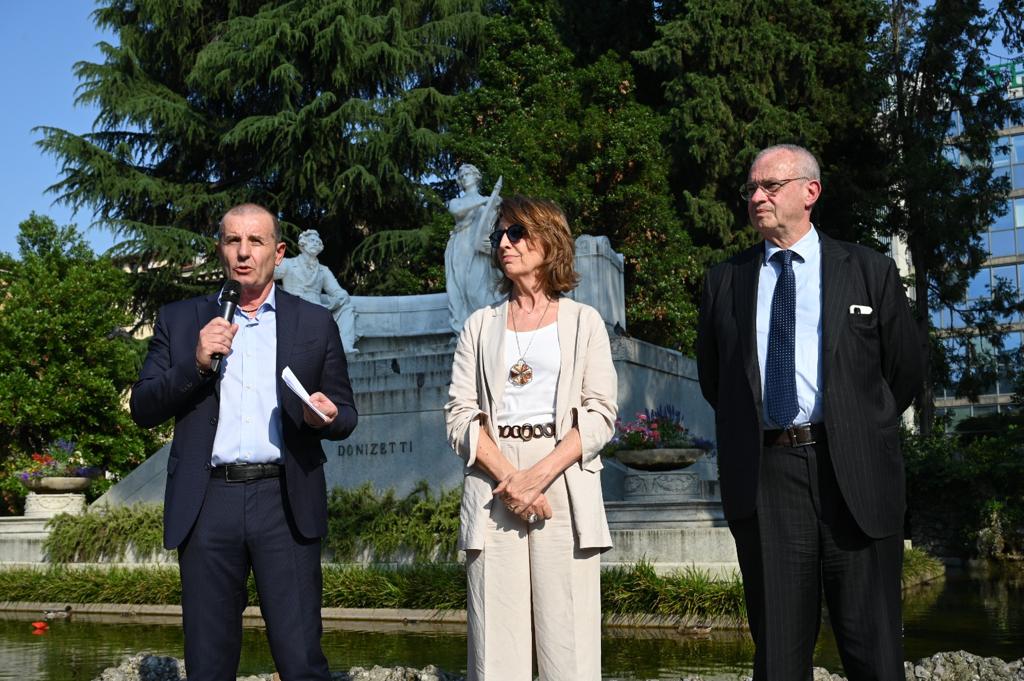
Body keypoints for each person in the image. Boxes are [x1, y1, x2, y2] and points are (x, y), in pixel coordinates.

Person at [696, 144, 923, 680]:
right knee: (777, 658)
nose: (756, 197)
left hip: (857, 477)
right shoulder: (724, 282)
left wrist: (857, 425)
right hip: (768, 480)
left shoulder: (869, 270)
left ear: (809, 192)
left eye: (769, 187)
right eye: (751, 188)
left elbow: (904, 371)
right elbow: (717, 381)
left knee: (875, 652)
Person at [130, 203, 357, 681]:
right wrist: (194, 363)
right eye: (233, 241)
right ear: (220, 249)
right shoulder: (180, 319)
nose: (243, 252)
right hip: (208, 502)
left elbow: (345, 413)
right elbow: (144, 406)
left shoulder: (315, 323)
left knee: (301, 661)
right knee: (209, 663)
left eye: (255, 242)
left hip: (285, 501)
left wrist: (328, 416)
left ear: (278, 253)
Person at [445, 195, 618, 681]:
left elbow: (601, 414)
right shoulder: (479, 326)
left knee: (569, 647)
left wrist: (538, 477)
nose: (504, 242)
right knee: (497, 649)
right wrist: (512, 480)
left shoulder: (584, 322)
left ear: (549, 239)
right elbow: (459, 416)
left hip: (563, 476)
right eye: (501, 234)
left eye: (516, 232)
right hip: (493, 480)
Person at [275, 228, 359, 354]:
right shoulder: (288, 264)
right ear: (303, 244)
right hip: (295, 309)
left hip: (318, 310)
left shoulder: (323, 270)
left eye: (317, 242)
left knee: (347, 308)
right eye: (311, 241)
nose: (315, 243)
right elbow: (264, 277)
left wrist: (338, 300)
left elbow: (338, 292)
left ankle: (344, 346)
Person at [445, 163, 503, 332]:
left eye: (467, 174)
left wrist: (494, 205)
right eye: (461, 176)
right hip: (461, 246)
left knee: (477, 289)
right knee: (461, 289)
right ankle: (465, 329)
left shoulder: (490, 200)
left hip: (480, 248)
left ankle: (486, 326)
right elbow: (456, 211)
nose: (464, 178)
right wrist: (483, 201)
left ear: (476, 177)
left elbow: (494, 225)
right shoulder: (458, 201)